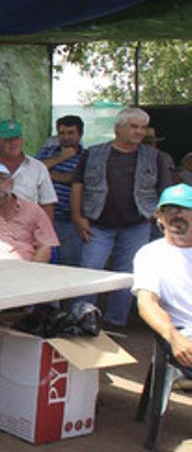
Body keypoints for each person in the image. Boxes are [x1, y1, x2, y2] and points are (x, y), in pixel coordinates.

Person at [71, 107, 174, 328]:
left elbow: (164, 192)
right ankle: (80, 319)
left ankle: (115, 323)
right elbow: (77, 186)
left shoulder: (156, 157)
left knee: (127, 274)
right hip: (97, 224)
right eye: (134, 127)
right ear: (118, 128)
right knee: (89, 269)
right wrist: (78, 217)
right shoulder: (93, 153)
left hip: (136, 225)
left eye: (142, 128)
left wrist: (160, 221)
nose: (139, 132)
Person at [133, 185, 192, 381]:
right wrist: (175, 338)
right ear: (159, 217)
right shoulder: (151, 254)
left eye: (185, 209)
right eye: (170, 210)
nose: (178, 215)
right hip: (185, 334)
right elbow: (147, 304)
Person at [0, 164, 59, 262]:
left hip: (26, 268)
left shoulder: (33, 210)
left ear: (11, 183)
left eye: (1, 180)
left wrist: (32, 272)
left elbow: (45, 246)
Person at [36, 114, 86, 265]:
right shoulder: (48, 152)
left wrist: (49, 175)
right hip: (42, 216)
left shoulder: (87, 156)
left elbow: (78, 179)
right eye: (62, 133)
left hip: (68, 219)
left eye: (71, 133)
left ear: (80, 134)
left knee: (69, 262)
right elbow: (34, 170)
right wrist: (62, 158)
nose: (66, 137)